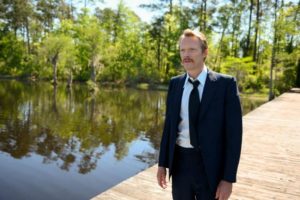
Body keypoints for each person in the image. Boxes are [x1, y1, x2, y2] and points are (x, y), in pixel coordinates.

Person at [156, 29, 243, 200]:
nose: (186, 55)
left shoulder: (225, 85)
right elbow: (169, 127)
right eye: (182, 50)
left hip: (212, 167)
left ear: (205, 52)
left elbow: (234, 136)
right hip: (180, 165)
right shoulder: (175, 84)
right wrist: (162, 163)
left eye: (192, 50)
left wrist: (228, 178)